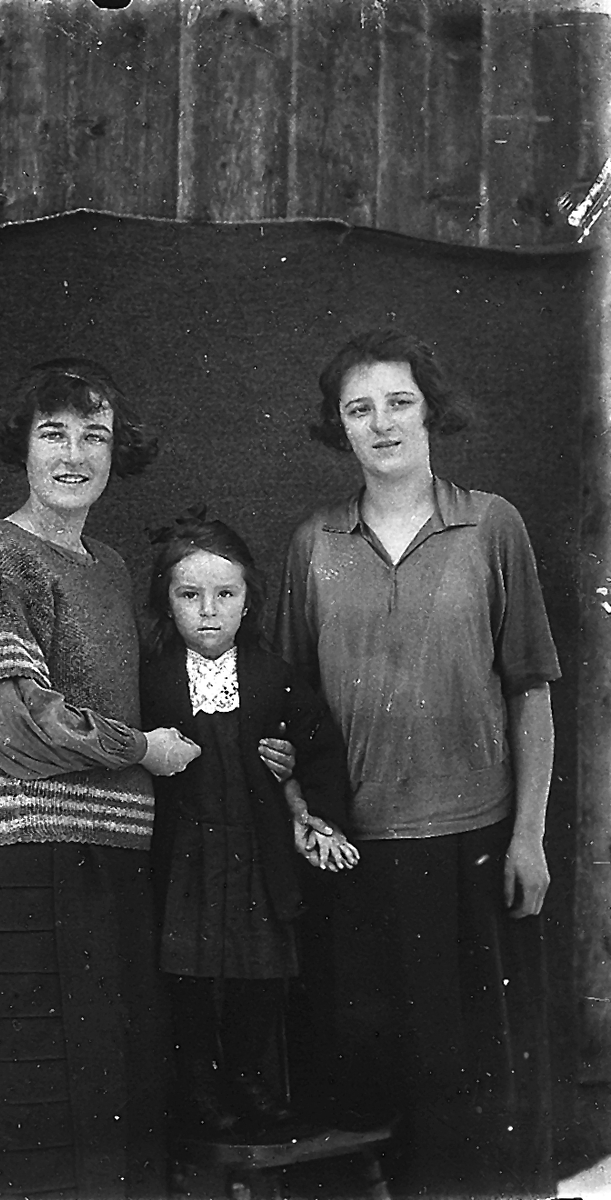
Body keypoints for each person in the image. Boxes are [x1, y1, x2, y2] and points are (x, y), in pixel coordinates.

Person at [275, 328, 560, 1197]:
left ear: (431, 409)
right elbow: (286, 710)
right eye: (359, 409)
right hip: (355, 855)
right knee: (369, 1091)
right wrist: (302, 814)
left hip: (475, 845)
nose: (382, 423)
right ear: (339, 426)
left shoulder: (491, 525)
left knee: (475, 1099)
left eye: (399, 402)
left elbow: (531, 691)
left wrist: (528, 837)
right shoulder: (314, 543)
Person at [0, 358, 202, 1200]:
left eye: (96, 436)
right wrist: (142, 749)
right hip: (23, 860)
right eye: (54, 433)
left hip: (116, 864)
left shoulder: (112, 566)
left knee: (116, 1108)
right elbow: (12, 722)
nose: (74, 454)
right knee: (35, 1113)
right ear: (22, 445)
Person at [140, 512, 355, 1140]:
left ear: (248, 600)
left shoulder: (273, 677)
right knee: (188, 975)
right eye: (190, 595)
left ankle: (247, 1079)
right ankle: (200, 1088)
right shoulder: (150, 683)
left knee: (258, 975)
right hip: (185, 854)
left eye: (225, 594)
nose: (208, 611)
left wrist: (307, 799)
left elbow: (319, 750)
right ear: (167, 602)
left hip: (255, 851)